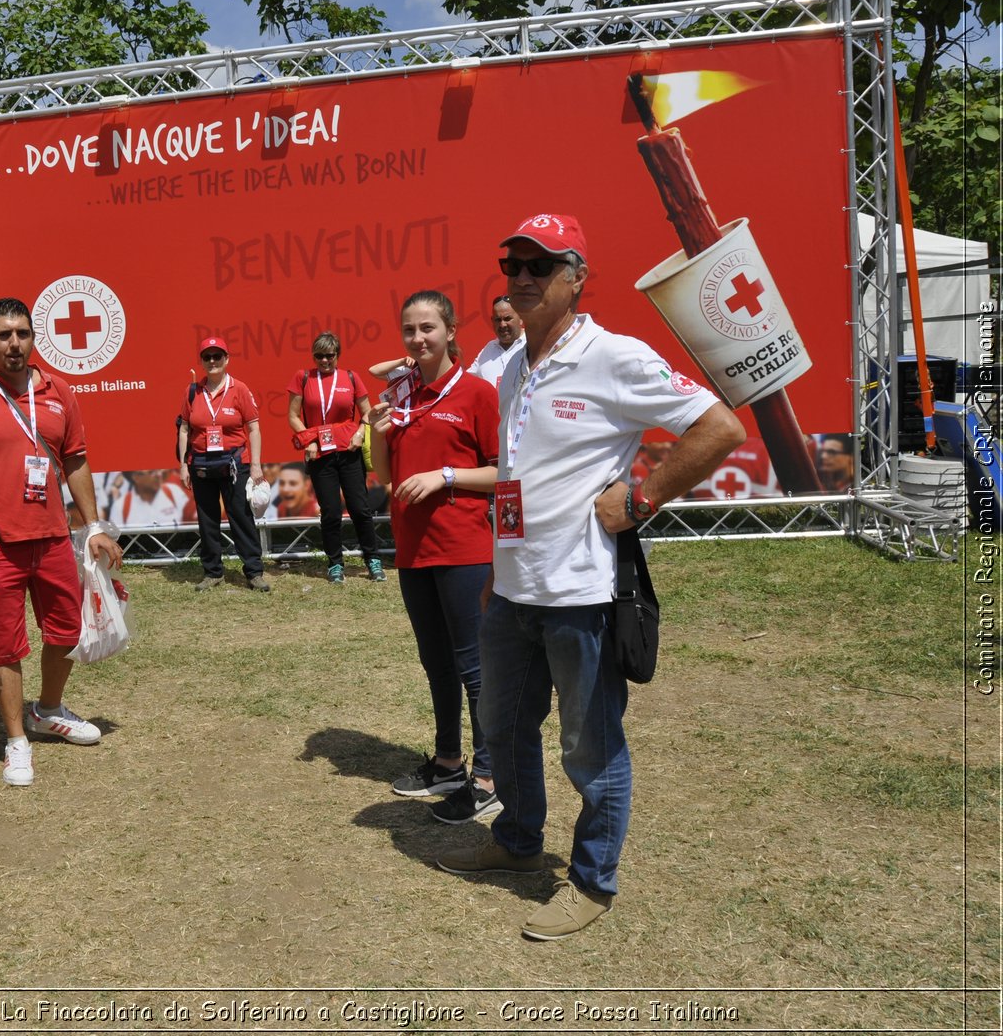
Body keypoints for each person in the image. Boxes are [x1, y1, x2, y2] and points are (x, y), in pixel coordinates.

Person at [436, 212, 744, 941]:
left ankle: (592, 881)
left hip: (580, 596)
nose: (520, 279)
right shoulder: (513, 366)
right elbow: (517, 477)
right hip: (512, 589)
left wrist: (642, 496)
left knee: (589, 744)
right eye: (512, 265)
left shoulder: (613, 356)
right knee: (504, 727)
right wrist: (497, 567)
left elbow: (719, 426)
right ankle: (516, 841)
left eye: (539, 266)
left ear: (577, 278)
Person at [0, 297, 122, 787]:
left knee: (68, 632)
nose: (14, 344)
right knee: (5, 647)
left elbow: (74, 461)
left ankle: (47, 710)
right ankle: (16, 741)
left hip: (52, 538)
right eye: (4, 335)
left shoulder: (58, 392)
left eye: (22, 334)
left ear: (33, 338)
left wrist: (92, 526)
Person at [364, 291, 503, 826]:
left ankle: (489, 779)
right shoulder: (402, 395)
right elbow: (386, 477)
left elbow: (504, 474)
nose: (418, 339)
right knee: (436, 663)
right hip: (413, 549)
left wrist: (445, 475)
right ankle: (448, 762)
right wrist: (378, 436)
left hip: (464, 549)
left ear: (450, 330)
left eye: (427, 328)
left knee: (475, 666)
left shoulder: (477, 394)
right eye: (409, 331)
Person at [286, 332, 384, 583]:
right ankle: (335, 564)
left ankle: (372, 560)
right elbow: (293, 416)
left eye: (329, 355)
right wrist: (309, 441)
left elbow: (367, 413)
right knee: (330, 512)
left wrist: (361, 433)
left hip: (349, 452)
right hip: (320, 455)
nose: (324, 361)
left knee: (360, 509)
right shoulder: (303, 377)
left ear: (337, 355)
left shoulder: (350, 377)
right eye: (319, 356)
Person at [178, 337, 270, 592]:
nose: (212, 361)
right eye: (207, 357)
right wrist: (183, 464)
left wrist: (256, 465)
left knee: (241, 516)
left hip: (234, 464)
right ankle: (212, 572)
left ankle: (254, 572)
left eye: (217, 356)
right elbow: (184, 428)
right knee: (207, 520)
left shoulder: (239, 389)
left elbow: (253, 428)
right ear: (202, 361)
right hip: (201, 465)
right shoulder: (192, 391)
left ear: (226, 359)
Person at [468, 295, 526, 388]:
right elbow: (467, 381)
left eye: (507, 319)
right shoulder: (488, 349)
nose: (502, 325)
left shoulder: (532, 345)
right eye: (498, 320)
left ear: (521, 318)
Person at [111, 469, 191, 527]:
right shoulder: (120, 506)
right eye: (151, 472)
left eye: (157, 471)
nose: (158, 475)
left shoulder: (174, 492)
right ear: (136, 477)